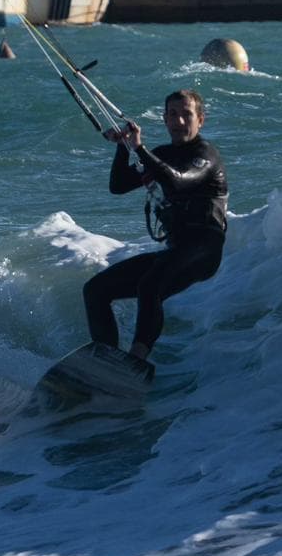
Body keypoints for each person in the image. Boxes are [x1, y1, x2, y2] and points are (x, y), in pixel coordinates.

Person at [83, 88, 228, 361]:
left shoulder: (206, 155)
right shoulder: (161, 155)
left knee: (150, 285)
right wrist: (122, 147)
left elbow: (178, 180)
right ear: (165, 119)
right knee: (96, 290)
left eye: (187, 114)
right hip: (176, 251)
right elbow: (119, 185)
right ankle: (106, 361)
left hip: (204, 247)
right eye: (173, 114)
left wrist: (139, 149)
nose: (180, 121)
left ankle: (137, 358)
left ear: (201, 120)